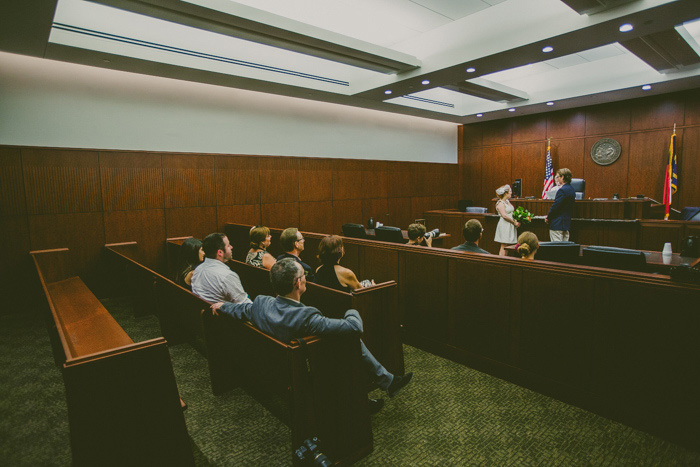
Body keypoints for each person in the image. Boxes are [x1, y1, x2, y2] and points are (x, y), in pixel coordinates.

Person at [211, 258, 413, 413]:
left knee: (343, 341)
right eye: (303, 276)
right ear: (298, 283)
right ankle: (368, 394)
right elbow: (354, 327)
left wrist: (223, 306)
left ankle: (385, 382)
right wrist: (352, 306)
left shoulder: (261, 304)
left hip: (274, 366)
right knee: (349, 341)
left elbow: (242, 311)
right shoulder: (305, 316)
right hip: (306, 371)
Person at [191, 232, 252, 304]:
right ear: (220, 252)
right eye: (228, 245)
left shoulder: (198, 269)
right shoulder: (227, 276)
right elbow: (245, 306)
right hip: (223, 314)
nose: (231, 247)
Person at [545, 168, 576, 241]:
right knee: (565, 248)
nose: (557, 179)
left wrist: (548, 217)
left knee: (556, 249)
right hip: (566, 224)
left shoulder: (562, 190)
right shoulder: (571, 189)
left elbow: (555, 207)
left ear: (562, 177)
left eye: (558, 177)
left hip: (557, 224)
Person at [494, 184, 520, 256]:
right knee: (503, 245)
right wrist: (513, 222)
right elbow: (504, 216)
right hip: (504, 225)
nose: (511, 193)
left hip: (510, 224)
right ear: (506, 193)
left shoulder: (507, 201)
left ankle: (506, 260)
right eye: (510, 191)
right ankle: (501, 261)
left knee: (507, 245)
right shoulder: (500, 203)